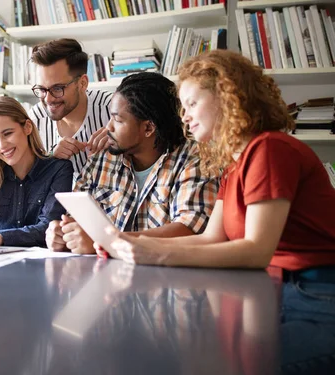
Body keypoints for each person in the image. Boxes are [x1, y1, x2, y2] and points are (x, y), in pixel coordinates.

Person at [101, 49, 335, 271]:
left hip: (309, 284)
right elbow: (211, 239)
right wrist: (124, 240)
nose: (185, 117)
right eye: (183, 108)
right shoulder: (234, 165)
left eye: (192, 104)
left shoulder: (270, 149)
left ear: (227, 98)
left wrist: (159, 254)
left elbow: (257, 251)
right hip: (273, 282)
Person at [46, 72, 219, 254]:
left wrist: (108, 242)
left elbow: (189, 229)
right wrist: (61, 234)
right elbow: (75, 221)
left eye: (118, 120)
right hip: (106, 274)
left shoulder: (195, 160)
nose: (108, 128)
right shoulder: (101, 160)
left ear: (148, 128)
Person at [0, 96, 73, 248]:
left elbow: (47, 228)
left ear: (27, 127)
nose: (2, 146)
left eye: (7, 133)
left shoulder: (59, 170)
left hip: (41, 265)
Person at [28, 38, 112, 179]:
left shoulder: (112, 109)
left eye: (58, 88)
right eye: (42, 89)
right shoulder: (34, 120)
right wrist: (50, 159)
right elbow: (25, 181)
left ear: (82, 83)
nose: (48, 99)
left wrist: (121, 143)